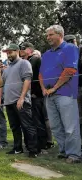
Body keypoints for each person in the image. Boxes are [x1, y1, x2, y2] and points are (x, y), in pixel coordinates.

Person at [39, 25, 81, 163]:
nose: (48, 38)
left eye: (50, 35)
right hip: (49, 94)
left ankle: (74, 154)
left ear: (60, 34)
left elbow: (70, 70)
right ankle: (63, 151)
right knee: (56, 126)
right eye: (47, 35)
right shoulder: (46, 54)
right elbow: (40, 74)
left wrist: (54, 87)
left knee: (70, 126)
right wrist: (44, 89)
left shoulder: (70, 48)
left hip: (66, 92)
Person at [0, 43, 38, 158]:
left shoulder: (24, 63)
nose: (8, 55)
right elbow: (1, 84)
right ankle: (17, 148)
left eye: (10, 52)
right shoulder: (7, 68)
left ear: (17, 51)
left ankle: (33, 150)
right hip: (9, 102)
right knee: (14, 127)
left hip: (21, 101)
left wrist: (22, 98)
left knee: (27, 125)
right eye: (7, 53)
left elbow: (27, 80)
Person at [19, 42, 53, 151]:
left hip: (36, 94)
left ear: (29, 49)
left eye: (23, 49)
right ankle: (40, 143)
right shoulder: (29, 60)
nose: (21, 51)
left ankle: (42, 144)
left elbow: (29, 74)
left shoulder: (34, 58)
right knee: (36, 120)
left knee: (38, 120)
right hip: (33, 94)